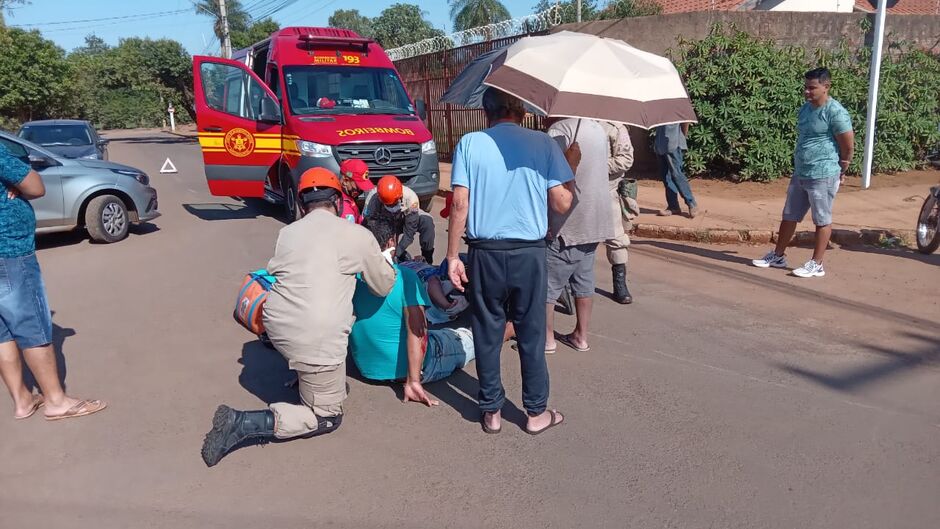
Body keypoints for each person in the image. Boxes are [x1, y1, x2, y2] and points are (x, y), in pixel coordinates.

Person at [201, 168, 396, 467]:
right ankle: (241, 423)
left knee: (308, 340)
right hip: (314, 334)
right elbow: (383, 285)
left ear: (303, 205)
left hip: (274, 326)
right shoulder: (357, 235)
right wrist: (384, 260)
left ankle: (305, 372)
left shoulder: (287, 233)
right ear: (339, 201)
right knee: (327, 417)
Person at [447, 87, 576, 435]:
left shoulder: (470, 143)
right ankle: (535, 413)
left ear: (486, 112)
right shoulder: (545, 144)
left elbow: (460, 203)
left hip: (484, 252)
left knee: (487, 331)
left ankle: (491, 411)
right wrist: (570, 171)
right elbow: (563, 203)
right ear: (520, 109)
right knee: (531, 333)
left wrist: (450, 256)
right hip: (529, 253)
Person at [349, 217, 510, 402]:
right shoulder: (403, 277)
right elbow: (417, 332)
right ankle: (512, 326)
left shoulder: (350, 275)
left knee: (446, 332)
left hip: (367, 368)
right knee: (473, 338)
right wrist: (414, 381)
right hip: (415, 367)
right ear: (391, 242)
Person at [0, 143, 106, 421]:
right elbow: (36, 186)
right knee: (30, 324)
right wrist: (19, 184)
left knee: (2, 332)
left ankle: (22, 400)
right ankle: (56, 401)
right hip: (8, 252)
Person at [752, 68, 854, 278]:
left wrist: (843, 167)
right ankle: (778, 255)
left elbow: (848, 144)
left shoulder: (835, 112)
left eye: (812, 88)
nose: (807, 92)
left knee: (822, 219)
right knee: (789, 215)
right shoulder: (805, 109)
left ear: (826, 87)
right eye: (805, 87)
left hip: (823, 173)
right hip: (801, 173)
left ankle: (817, 263)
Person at [545, 119, 614, 354]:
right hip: (595, 219)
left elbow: (553, 178)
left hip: (568, 222)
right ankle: (581, 336)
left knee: (549, 284)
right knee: (583, 279)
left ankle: (547, 340)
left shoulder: (558, 132)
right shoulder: (598, 129)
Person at [599, 120, 636, 304]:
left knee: (616, 239)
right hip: (578, 191)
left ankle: (619, 283)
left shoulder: (615, 128)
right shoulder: (574, 126)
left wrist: (595, 165)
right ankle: (570, 284)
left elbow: (626, 159)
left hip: (608, 190)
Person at [363, 176, 436, 263]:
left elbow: (409, 233)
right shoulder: (372, 199)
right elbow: (368, 226)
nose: (392, 207)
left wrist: (397, 253)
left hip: (405, 217)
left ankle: (427, 258)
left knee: (427, 222)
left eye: (394, 203)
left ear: (400, 196)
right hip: (384, 220)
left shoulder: (411, 198)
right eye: (388, 205)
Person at [654, 123, 699, 218]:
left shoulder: (676, 108)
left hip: (673, 143)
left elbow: (685, 122)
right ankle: (673, 207)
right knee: (666, 177)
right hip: (660, 144)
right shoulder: (656, 108)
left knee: (677, 175)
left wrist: (682, 137)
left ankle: (691, 203)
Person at [337, 158, 374, 224]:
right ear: (345, 181)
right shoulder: (345, 211)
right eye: (358, 186)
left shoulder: (348, 197)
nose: (361, 190)